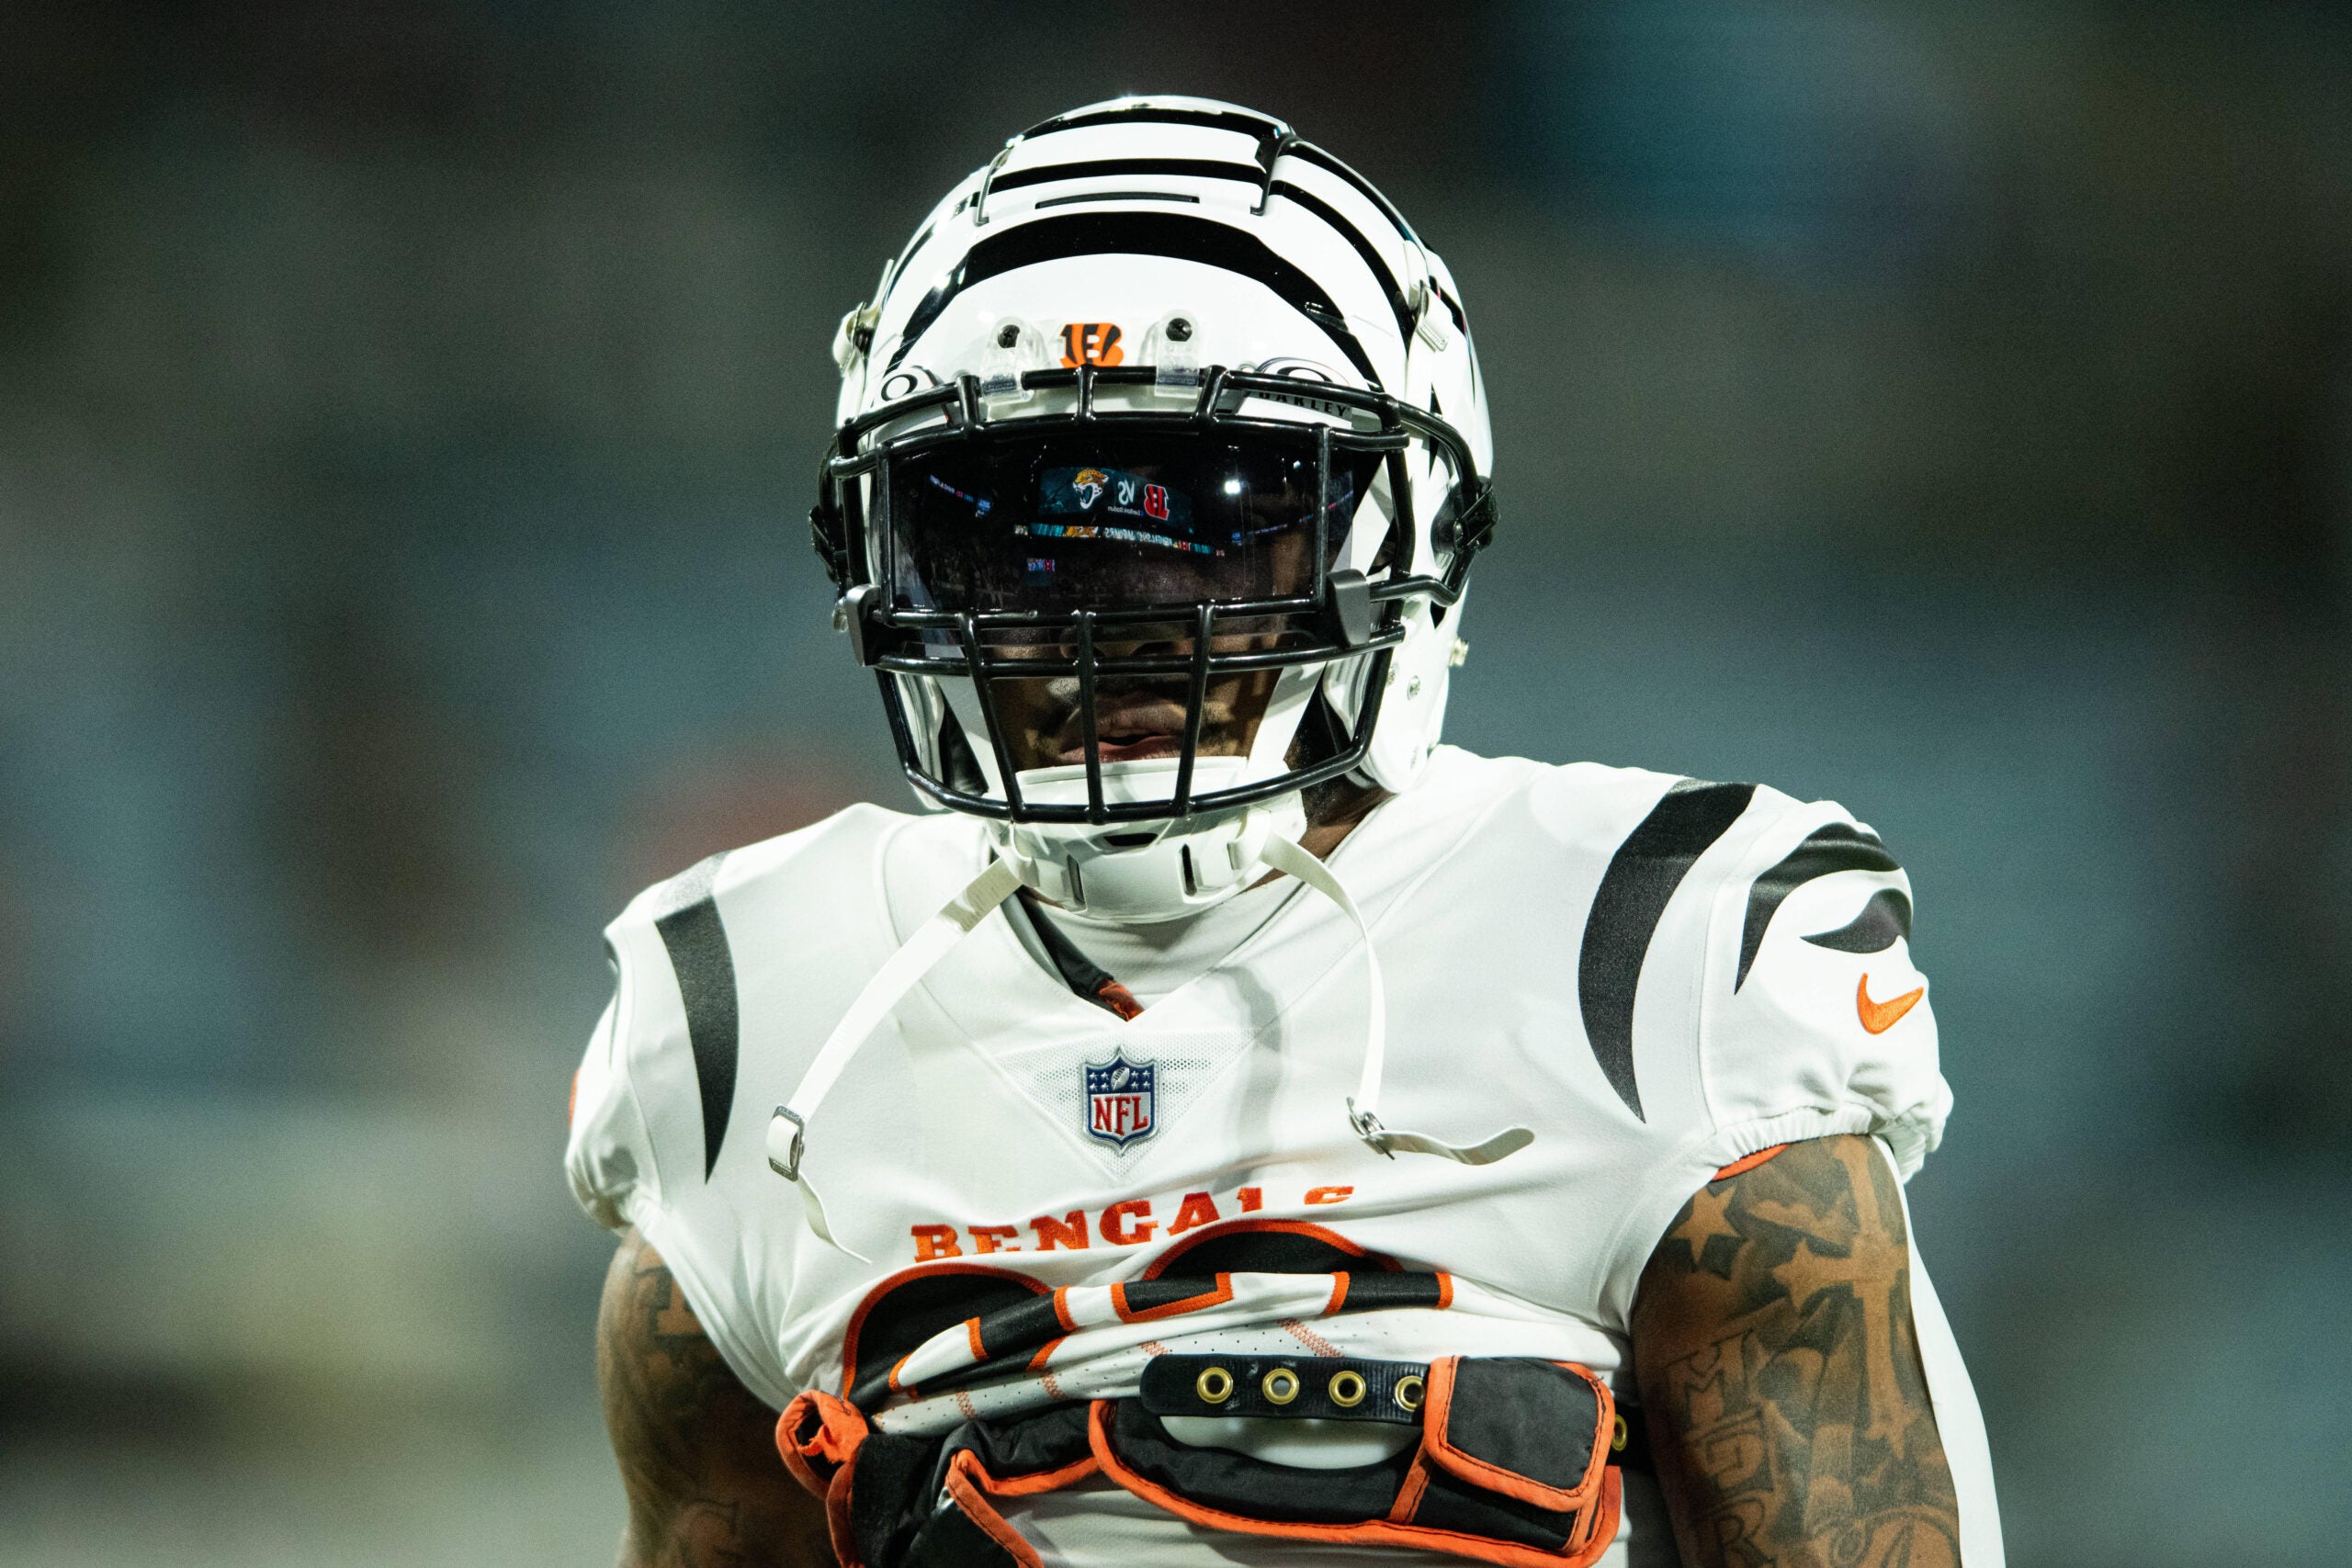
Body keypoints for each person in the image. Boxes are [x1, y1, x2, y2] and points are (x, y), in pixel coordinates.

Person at [568, 96, 2002, 1568]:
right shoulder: (747, 1030)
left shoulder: (1652, 955)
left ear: (1404, 533)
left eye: (1220, 515)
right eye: (1015, 528)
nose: (1111, 621)